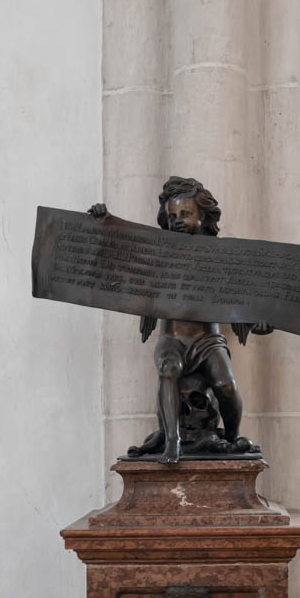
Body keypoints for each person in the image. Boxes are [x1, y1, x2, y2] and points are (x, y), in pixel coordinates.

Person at [88, 176, 269, 464]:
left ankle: (233, 438)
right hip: (172, 338)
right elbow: (118, 263)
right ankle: (172, 441)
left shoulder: (222, 257)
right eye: (172, 216)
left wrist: (261, 322)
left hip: (208, 340)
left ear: (203, 215)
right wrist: (102, 224)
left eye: (186, 213)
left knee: (225, 385)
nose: (178, 220)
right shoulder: (158, 255)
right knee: (168, 369)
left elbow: (247, 302)